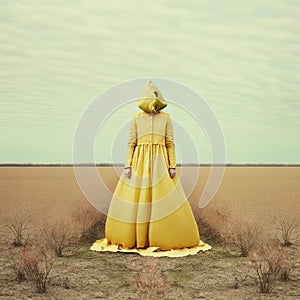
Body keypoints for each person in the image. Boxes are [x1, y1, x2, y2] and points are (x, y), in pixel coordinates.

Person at [90, 80, 211, 255]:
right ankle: (138, 238)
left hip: (161, 163)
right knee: (137, 199)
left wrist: (172, 165)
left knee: (163, 199)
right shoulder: (136, 119)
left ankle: (161, 237)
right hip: (139, 161)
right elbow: (131, 144)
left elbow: (170, 143)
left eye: (155, 96)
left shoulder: (166, 119)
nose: (153, 99)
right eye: (150, 96)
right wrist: (127, 165)